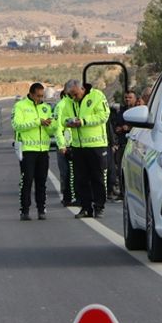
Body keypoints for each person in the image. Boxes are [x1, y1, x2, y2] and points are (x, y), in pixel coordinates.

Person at [59, 78, 110, 218]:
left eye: (75, 94)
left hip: (96, 145)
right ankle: (86, 207)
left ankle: (99, 206)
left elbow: (103, 115)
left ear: (82, 88)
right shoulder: (69, 101)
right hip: (78, 146)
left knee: (97, 178)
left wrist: (83, 121)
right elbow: (62, 118)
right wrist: (68, 122)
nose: (74, 97)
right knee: (81, 179)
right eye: (71, 95)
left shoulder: (97, 96)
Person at [12, 82, 57, 220]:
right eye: (38, 96)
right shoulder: (20, 106)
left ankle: (41, 209)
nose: (40, 98)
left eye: (42, 96)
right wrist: (38, 122)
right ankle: (24, 210)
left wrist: (51, 125)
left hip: (43, 150)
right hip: (28, 150)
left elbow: (51, 130)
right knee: (27, 181)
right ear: (31, 94)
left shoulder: (46, 107)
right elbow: (17, 125)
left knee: (41, 181)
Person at [53, 89, 76, 207]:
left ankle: (75, 197)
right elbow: (57, 128)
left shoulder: (76, 105)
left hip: (76, 144)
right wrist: (62, 145)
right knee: (66, 172)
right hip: (66, 146)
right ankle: (68, 197)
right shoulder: (61, 106)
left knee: (75, 173)